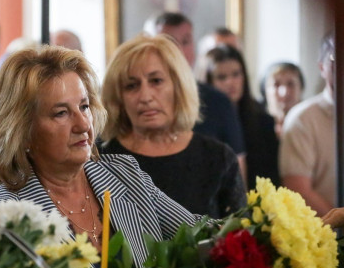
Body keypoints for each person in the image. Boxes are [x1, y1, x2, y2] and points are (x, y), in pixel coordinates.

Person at [0, 45, 200, 268]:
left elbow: (199, 233)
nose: (83, 124)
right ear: (23, 131)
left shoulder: (125, 174)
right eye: (61, 113)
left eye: (84, 106)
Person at [99, 34, 246, 218]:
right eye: (131, 86)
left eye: (156, 81)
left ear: (178, 86)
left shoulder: (218, 157)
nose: (145, 97)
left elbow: (240, 231)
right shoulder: (101, 159)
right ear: (118, 98)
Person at [279, 32, 344, 216]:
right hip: (325, 228)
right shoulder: (303, 118)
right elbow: (298, 189)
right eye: (337, 59)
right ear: (322, 67)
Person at [153, 12, 247, 182]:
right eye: (169, 42)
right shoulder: (140, 100)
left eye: (186, 41)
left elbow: (237, 171)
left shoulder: (219, 102)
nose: (179, 50)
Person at [203, 44, 280, 189]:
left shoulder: (263, 121)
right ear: (209, 82)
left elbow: (271, 181)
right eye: (221, 77)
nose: (230, 82)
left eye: (236, 74)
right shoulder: (202, 126)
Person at [260, 62, 305, 137]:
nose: (284, 93)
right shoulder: (254, 125)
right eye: (276, 85)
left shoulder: (312, 124)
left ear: (301, 88)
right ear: (264, 90)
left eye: (290, 84)